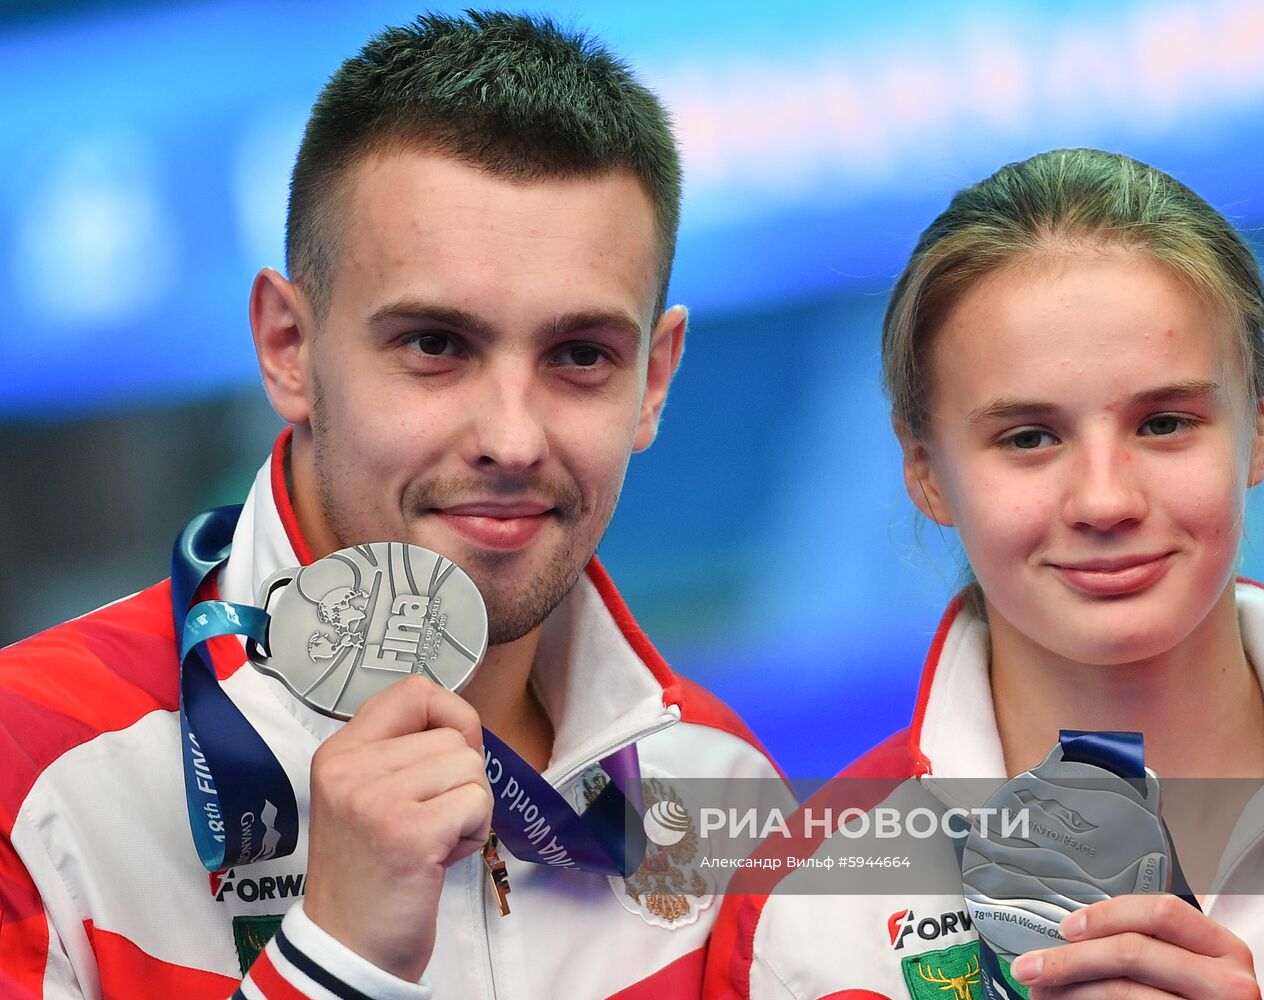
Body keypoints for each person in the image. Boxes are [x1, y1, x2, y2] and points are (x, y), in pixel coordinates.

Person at [0, 11, 786, 999]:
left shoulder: (724, 790)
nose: (511, 437)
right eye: (433, 344)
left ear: (655, 379)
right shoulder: (26, 768)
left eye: (579, 356)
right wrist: (330, 962)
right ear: (288, 346)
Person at [705, 148, 1264, 999]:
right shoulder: (804, 901)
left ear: (1259, 423)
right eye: (1029, 437)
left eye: (1165, 422)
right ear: (924, 469)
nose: (1104, 500)